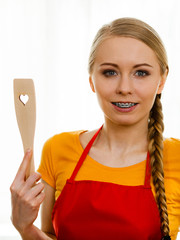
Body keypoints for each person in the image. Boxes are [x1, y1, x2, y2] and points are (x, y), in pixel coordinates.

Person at [10, 17, 180, 240]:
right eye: (110, 72)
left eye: (141, 73)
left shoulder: (177, 158)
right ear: (91, 79)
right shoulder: (57, 149)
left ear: (162, 79)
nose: (124, 88)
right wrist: (25, 228)